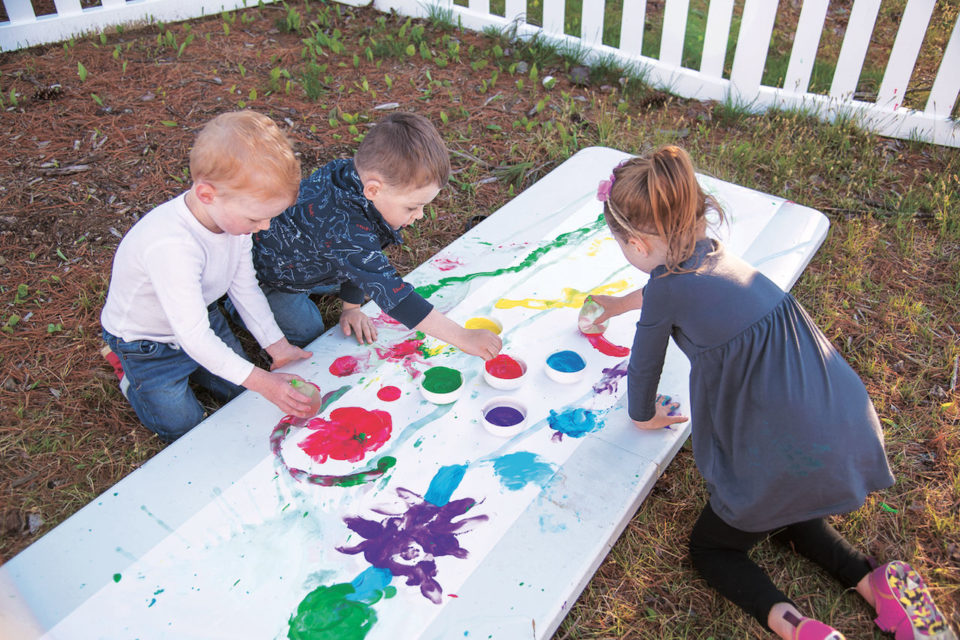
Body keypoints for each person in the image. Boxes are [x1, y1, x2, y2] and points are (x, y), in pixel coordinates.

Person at [590, 146, 956, 640]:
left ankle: (795, 625)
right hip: (839, 420)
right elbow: (668, 288)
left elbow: (644, 366)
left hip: (783, 454)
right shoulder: (713, 251)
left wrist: (643, 414)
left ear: (634, 243)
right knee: (789, 512)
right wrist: (618, 304)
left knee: (713, 548)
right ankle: (874, 581)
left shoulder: (665, 290)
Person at [101, 110, 317, 442]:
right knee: (182, 425)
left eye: (269, 217)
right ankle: (126, 374)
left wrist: (278, 346)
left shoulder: (234, 223)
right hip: (147, 344)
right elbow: (194, 338)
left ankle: (206, 369)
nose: (264, 227)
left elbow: (244, 287)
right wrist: (262, 380)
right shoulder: (171, 246)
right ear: (207, 195)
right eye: (256, 218)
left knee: (241, 395)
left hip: (202, 318)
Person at [250, 111, 501, 360]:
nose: (420, 215)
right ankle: (242, 307)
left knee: (362, 271)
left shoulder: (354, 180)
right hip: (274, 277)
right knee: (310, 332)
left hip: (313, 257)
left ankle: (322, 286)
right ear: (373, 189)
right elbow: (395, 296)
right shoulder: (343, 226)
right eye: (412, 207)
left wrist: (351, 307)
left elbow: (358, 258)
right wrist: (463, 337)